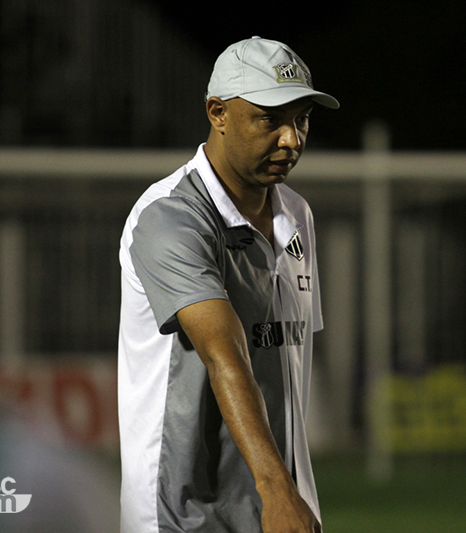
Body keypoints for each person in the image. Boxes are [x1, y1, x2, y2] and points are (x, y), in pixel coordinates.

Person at [117, 36, 339, 533]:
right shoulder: (170, 217)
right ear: (218, 113)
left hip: (278, 506)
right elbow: (226, 356)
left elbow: (284, 360)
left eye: (301, 118)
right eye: (270, 119)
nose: (292, 139)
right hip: (183, 517)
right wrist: (277, 489)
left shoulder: (297, 215)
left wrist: (290, 494)